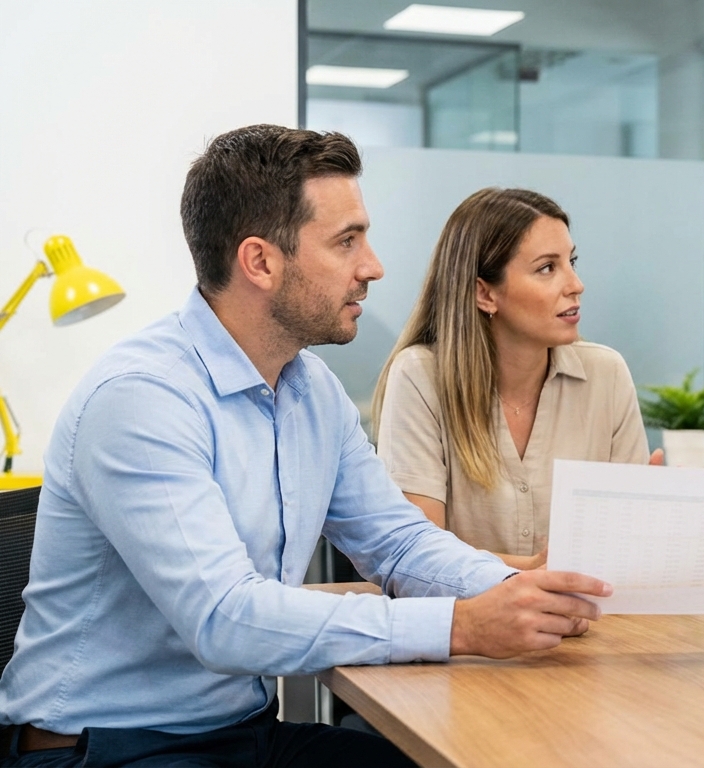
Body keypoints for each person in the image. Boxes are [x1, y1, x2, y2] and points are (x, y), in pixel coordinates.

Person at [0, 125, 612, 767]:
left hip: (245, 735)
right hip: (105, 751)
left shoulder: (310, 388)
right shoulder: (142, 398)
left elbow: (397, 542)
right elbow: (225, 619)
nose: (373, 266)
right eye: (347, 241)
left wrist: (519, 588)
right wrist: (463, 625)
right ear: (260, 262)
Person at [373, 188, 656, 569]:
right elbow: (417, 555)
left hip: (587, 621)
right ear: (484, 293)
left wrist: (654, 520)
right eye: (547, 268)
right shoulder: (419, 377)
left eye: (571, 262)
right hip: (465, 621)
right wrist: (539, 570)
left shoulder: (607, 374)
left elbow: (625, 552)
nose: (576, 284)